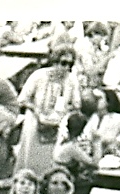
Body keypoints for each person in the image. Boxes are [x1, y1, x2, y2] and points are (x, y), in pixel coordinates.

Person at [16, 47, 82, 176]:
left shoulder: (71, 79)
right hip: (36, 118)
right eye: (63, 63)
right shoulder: (39, 75)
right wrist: (37, 111)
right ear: (55, 61)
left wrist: (63, 112)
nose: (66, 68)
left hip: (58, 120)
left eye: (70, 64)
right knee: (32, 153)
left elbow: (76, 104)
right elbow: (22, 100)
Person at [82, 90, 120, 161]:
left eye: (99, 98)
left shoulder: (118, 118)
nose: (96, 101)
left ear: (107, 102)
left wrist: (119, 144)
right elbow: (85, 137)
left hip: (110, 158)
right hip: (92, 157)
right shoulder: (93, 118)